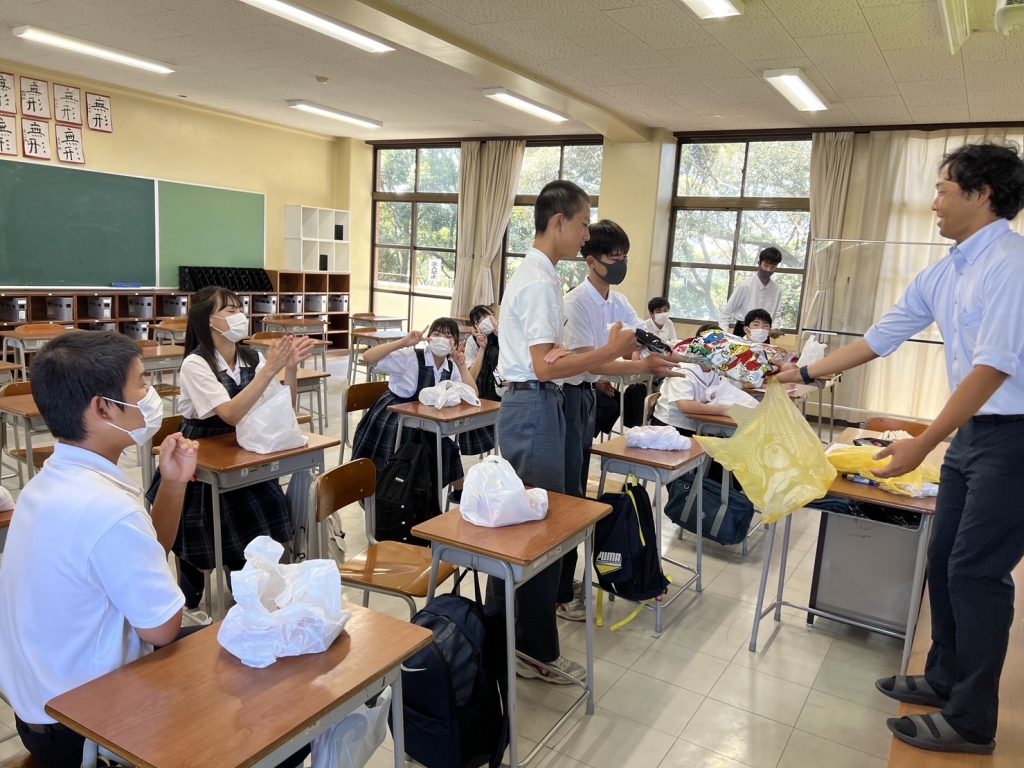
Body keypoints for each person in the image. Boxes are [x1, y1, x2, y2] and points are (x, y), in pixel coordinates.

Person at [777, 142, 1024, 755]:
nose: (934, 202)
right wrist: (803, 373)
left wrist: (923, 442)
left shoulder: (1012, 264)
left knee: (978, 571)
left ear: (983, 194)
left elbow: (993, 368)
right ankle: (942, 678)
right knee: (944, 557)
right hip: (975, 434)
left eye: (943, 189)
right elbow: (881, 337)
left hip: (1014, 437)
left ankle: (972, 720)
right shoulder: (947, 270)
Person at [0, 332, 197, 767]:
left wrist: (173, 483)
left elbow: (147, 552)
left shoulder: (48, 481)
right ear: (103, 407)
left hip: (41, 710)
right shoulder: (106, 508)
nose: (151, 395)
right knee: (256, 698)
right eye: (141, 383)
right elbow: (162, 630)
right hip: (82, 726)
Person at [491, 179, 638, 684]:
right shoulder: (537, 280)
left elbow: (553, 360)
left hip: (542, 401)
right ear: (558, 222)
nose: (585, 236)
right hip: (533, 404)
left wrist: (600, 357)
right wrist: (610, 352)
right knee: (540, 528)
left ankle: (518, 638)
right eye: (582, 224)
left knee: (542, 521)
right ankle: (528, 647)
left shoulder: (543, 275)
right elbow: (544, 365)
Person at [149, 286, 315, 609]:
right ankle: (192, 586)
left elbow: (284, 410)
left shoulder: (252, 358)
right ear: (210, 321)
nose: (240, 315)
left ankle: (248, 592)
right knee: (205, 535)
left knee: (266, 513)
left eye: (240, 308)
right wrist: (270, 370)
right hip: (202, 455)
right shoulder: (196, 364)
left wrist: (290, 369)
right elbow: (230, 413)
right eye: (230, 310)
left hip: (244, 451)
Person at [557, 219, 677, 621]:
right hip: (568, 399)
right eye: (614, 257)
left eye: (625, 256)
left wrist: (675, 355)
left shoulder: (617, 300)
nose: (621, 263)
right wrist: (640, 365)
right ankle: (559, 592)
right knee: (567, 496)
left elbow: (643, 338)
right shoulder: (576, 303)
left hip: (588, 397)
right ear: (591, 261)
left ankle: (564, 583)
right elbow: (590, 363)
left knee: (576, 491)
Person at [351, 317, 477, 493]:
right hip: (396, 419)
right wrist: (403, 342)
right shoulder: (410, 357)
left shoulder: (451, 366)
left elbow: (473, 395)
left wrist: (462, 366)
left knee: (448, 449)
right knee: (416, 455)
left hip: (426, 423)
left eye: (448, 336)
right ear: (429, 338)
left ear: (455, 344)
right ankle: (392, 495)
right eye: (437, 334)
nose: (441, 339)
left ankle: (453, 494)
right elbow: (368, 356)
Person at [720, 246, 783, 336]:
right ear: (759, 264)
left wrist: (775, 328)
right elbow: (727, 312)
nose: (768, 270)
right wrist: (724, 334)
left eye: (772, 267)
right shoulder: (745, 286)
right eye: (766, 265)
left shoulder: (777, 289)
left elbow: (777, 313)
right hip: (743, 330)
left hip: (764, 332)